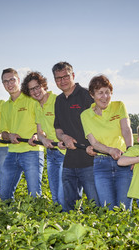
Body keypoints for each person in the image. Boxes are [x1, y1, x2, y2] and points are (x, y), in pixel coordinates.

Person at [80, 75, 133, 210]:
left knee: (124, 208)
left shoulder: (119, 106)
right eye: (100, 93)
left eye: (107, 92)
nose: (105, 97)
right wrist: (110, 150)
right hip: (101, 164)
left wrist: (130, 152)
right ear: (92, 95)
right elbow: (94, 142)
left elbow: (126, 130)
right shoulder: (85, 115)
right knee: (107, 208)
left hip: (123, 161)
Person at [52, 61, 100, 211]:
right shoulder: (58, 101)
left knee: (96, 204)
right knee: (69, 207)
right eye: (58, 78)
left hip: (90, 160)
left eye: (65, 77)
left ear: (73, 75)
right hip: (69, 162)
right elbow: (58, 129)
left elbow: (100, 123)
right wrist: (64, 138)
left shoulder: (87, 95)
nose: (62, 81)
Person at [21, 71, 65, 209]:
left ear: (44, 85)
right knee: (55, 196)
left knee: (65, 195)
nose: (35, 91)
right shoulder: (37, 106)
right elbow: (40, 131)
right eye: (31, 89)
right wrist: (42, 139)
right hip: (52, 154)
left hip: (65, 152)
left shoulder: (57, 100)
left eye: (37, 87)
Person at [0, 68, 44, 201]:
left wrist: (37, 136)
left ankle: (37, 221)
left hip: (32, 151)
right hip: (12, 153)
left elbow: (43, 125)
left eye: (12, 80)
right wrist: (9, 136)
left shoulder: (32, 100)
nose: (9, 84)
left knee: (34, 195)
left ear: (18, 81)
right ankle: (10, 220)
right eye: (5, 81)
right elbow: (3, 133)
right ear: (3, 84)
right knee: (4, 195)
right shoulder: (5, 106)